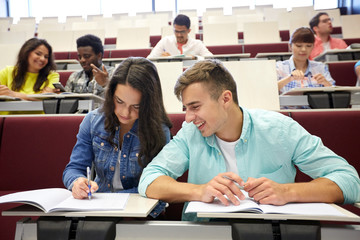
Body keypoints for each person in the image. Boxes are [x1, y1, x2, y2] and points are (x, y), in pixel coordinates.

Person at [138, 59, 360, 222]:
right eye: (185, 109)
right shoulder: (190, 134)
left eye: (195, 107)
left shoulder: (280, 130)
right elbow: (149, 180)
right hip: (206, 235)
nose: (187, 118)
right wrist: (199, 191)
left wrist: (287, 192)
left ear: (225, 98)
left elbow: (349, 180)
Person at [63, 57, 172, 217]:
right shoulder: (93, 121)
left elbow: (159, 185)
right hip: (98, 211)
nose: (125, 112)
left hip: (142, 214)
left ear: (149, 104)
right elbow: (74, 168)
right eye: (119, 101)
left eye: (136, 106)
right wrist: (77, 182)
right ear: (110, 94)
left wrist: (111, 199)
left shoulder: (159, 130)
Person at [276, 27, 335, 95]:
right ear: (290, 46)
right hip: (288, 105)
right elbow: (269, 91)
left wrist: (326, 83)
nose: (304, 49)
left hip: (316, 105)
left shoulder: (320, 67)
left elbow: (334, 93)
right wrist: (289, 78)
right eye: (299, 46)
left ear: (313, 47)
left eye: (308, 46)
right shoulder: (279, 67)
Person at [147, 14, 212, 59]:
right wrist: (160, 58)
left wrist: (196, 57)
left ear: (189, 31)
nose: (179, 35)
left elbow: (211, 59)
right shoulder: (165, 41)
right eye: (176, 31)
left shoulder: (197, 44)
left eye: (182, 32)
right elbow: (149, 59)